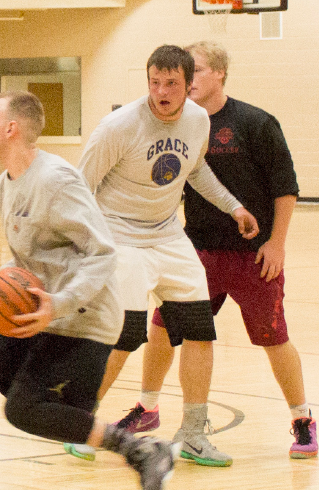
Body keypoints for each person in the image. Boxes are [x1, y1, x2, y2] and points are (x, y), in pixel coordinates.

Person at [0, 91, 178, 490]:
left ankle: (141, 450)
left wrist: (59, 304)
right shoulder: (4, 185)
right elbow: (28, 259)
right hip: (38, 311)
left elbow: (103, 254)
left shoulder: (56, 179)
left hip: (82, 319)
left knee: (23, 409)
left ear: (11, 128)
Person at [64, 45, 259, 468]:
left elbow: (195, 168)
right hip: (120, 235)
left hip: (168, 234)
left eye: (171, 83)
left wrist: (234, 206)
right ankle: (80, 419)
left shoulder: (197, 119)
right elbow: (80, 189)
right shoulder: (118, 126)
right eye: (154, 82)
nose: (161, 91)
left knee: (200, 329)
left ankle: (192, 433)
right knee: (127, 333)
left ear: (188, 85)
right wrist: (86, 248)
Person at [134, 41, 315, 459]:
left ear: (219, 73)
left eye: (193, 71)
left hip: (254, 256)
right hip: (197, 252)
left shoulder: (255, 122)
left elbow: (286, 189)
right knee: (162, 327)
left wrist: (277, 243)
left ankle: (302, 418)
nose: (187, 80)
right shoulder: (179, 124)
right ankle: (146, 406)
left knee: (275, 339)